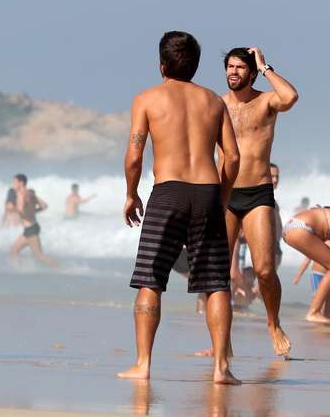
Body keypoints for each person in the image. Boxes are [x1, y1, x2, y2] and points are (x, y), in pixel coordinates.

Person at [119, 31, 240, 384]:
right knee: (217, 282)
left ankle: (143, 365)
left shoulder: (147, 99)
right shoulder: (214, 102)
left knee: (150, 279)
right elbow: (232, 156)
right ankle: (221, 368)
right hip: (207, 191)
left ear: (161, 65)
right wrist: (223, 196)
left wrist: (131, 194)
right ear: (196, 65)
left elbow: (134, 156)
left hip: (168, 192)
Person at [219, 47, 298, 357]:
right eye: (229, 66)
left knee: (265, 270)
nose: (233, 72)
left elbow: (290, 97)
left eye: (240, 67)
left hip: (257, 194)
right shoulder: (218, 105)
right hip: (224, 193)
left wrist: (266, 68)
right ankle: (222, 338)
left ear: (250, 73)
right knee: (219, 272)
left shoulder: (266, 101)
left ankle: (273, 322)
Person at [9, 174, 57, 268]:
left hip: (31, 230)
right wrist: (32, 212)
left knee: (39, 255)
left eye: (15, 182)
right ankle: (16, 270)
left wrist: (12, 209)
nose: (13, 184)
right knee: (14, 250)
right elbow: (44, 206)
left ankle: (59, 269)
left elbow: (21, 211)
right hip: (31, 228)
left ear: (21, 183)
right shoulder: (30, 194)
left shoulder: (20, 194)